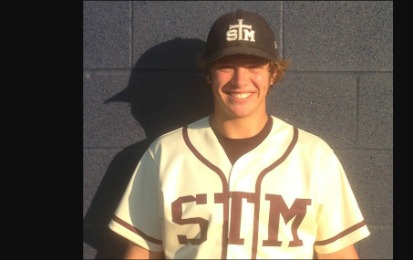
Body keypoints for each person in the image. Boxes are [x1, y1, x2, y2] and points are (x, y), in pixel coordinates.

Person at [108, 9, 370, 259]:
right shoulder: (166, 152)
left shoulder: (314, 156)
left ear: (273, 73)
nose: (239, 79)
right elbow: (142, 252)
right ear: (209, 74)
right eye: (226, 65)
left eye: (254, 65)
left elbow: (337, 253)